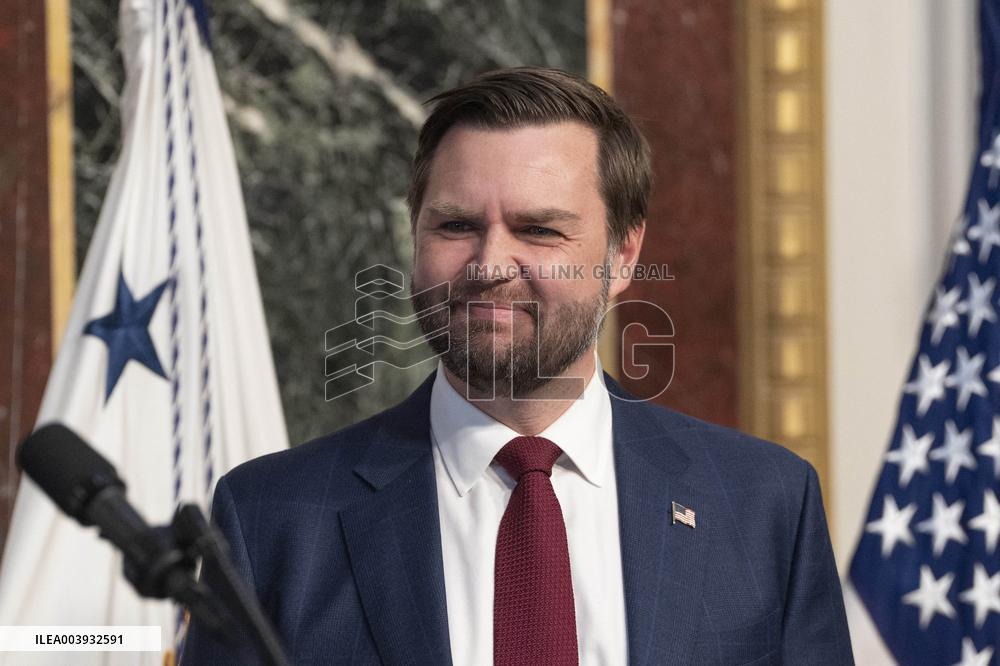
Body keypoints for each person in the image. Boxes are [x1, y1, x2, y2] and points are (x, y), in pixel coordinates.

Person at [181, 66, 854, 665]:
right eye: (456, 226)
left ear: (622, 255)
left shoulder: (764, 505)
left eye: (538, 230)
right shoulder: (273, 519)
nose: (490, 265)